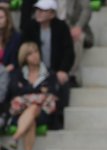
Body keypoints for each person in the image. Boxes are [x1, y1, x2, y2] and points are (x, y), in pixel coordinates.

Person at [21, 0, 73, 128]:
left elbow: (69, 51)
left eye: (43, 10)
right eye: (37, 10)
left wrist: (63, 70)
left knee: (63, 82)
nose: (38, 13)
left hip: (55, 69)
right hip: (35, 69)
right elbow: (24, 50)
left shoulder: (61, 27)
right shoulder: (30, 27)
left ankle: (58, 118)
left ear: (52, 14)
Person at [7, 42, 57, 150]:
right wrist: (38, 90)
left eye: (36, 52)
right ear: (24, 57)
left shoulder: (49, 73)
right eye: (30, 54)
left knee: (34, 107)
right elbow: (14, 91)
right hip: (20, 112)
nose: (35, 55)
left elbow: (51, 92)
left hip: (43, 112)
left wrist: (25, 91)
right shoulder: (18, 74)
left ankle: (16, 137)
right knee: (31, 120)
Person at [63, 0, 93, 87]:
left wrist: (78, 27)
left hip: (74, 29)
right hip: (55, 29)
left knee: (77, 37)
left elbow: (86, 10)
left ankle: (72, 75)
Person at [0, 4, 21, 72]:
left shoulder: (16, 37)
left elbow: (16, 61)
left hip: (8, 73)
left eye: (1, 17)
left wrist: (3, 71)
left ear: (7, 19)